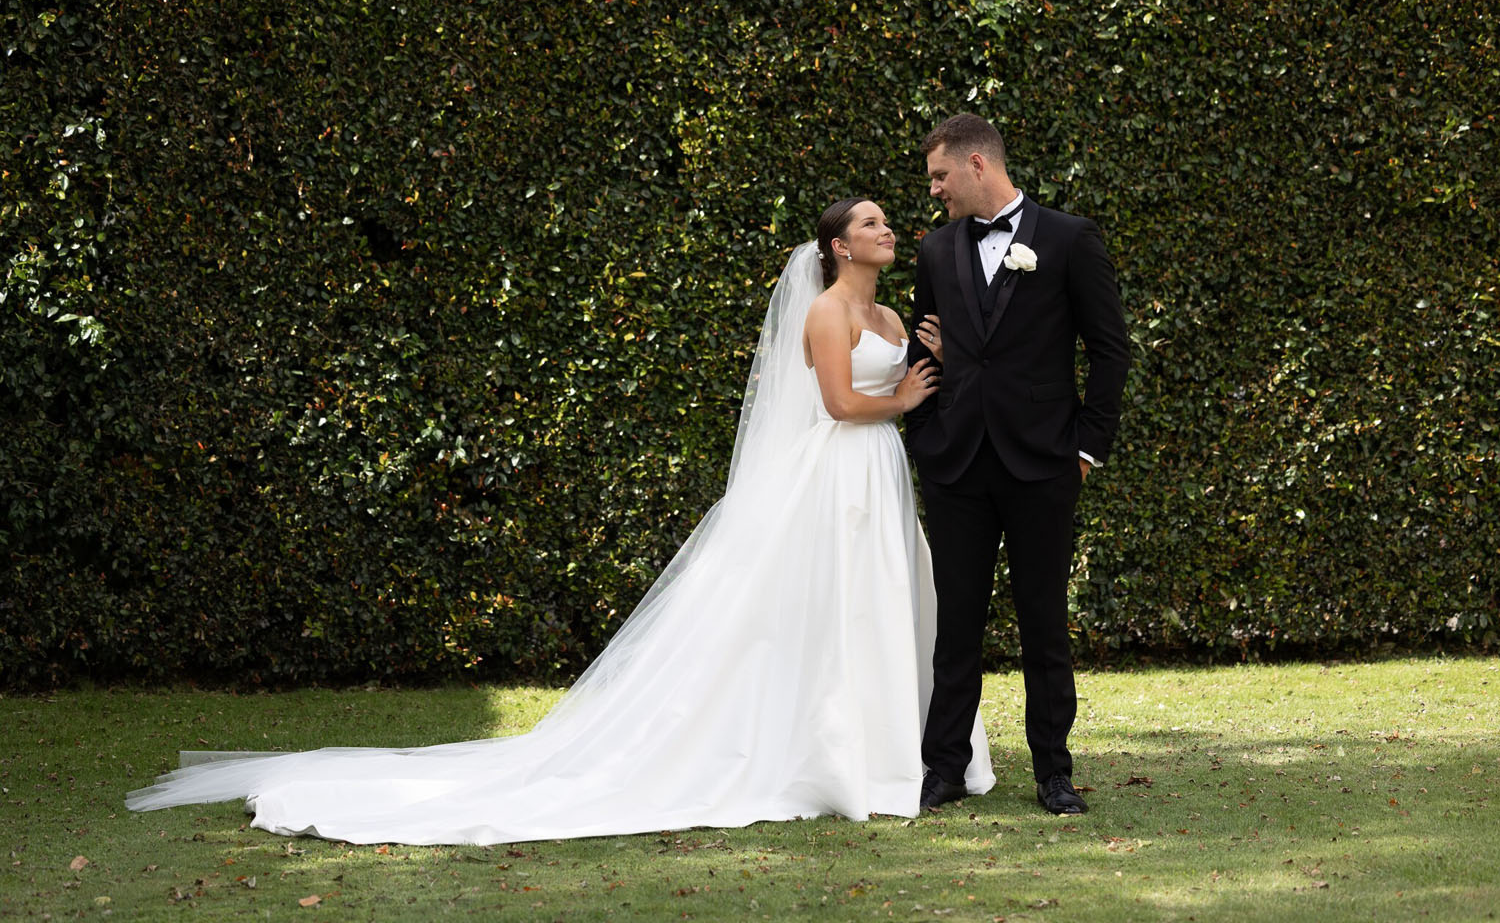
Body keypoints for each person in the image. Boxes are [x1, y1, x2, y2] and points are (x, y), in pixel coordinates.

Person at [125, 199, 995, 845]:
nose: (887, 230)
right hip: (835, 470)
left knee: (877, 601)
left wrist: (926, 368)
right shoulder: (826, 311)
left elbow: (896, 388)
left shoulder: (888, 315)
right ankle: (831, 753)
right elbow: (840, 403)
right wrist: (902, 397)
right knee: (828, 606)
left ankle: (892, 749)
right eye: (872, 223)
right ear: (839, 245)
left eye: (885, 222)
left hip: (880, 470)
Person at [906, 114, 1130, 816]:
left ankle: (1053, 772)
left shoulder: (1068, 238)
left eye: (940, 175)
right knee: (956, 624)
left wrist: (1086, 448)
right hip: (957, 466)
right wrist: (926, 436)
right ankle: (944, 769)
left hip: (1043, 463)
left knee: (1044, 621)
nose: (934, 189)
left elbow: (1110, 349)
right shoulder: (936, 250)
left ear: (977, 164)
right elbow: (921, 348)